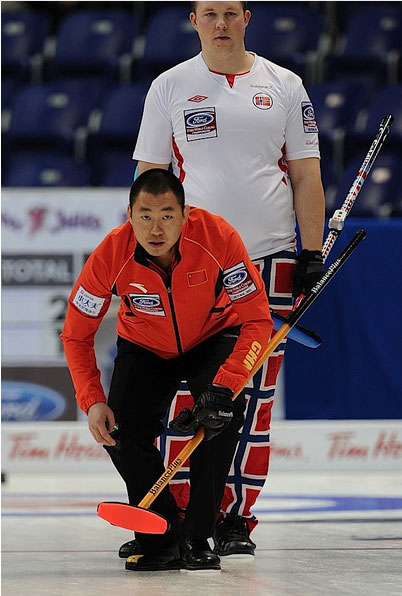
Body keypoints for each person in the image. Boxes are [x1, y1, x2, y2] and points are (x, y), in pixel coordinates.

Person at [126, 1, 326, 558]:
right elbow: (150, 178)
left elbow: (306, 173)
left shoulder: (285, 85)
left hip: (268, 260)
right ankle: (178, 514)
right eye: (209, 13)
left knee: (254, 393)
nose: (220, 23)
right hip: (193, 266)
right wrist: (148, 251)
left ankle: (236, 518)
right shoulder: (169, 86)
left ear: (247, 18)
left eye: (230, 13)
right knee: (182, 394)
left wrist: (310, 252)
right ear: (194, 20)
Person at [61, 168, 273, 571]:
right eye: (144, 216)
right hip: (145, 345)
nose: (155, 228)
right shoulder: (110, 255)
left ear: (185, 212)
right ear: (129, 214)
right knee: (120, 431)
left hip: (213, 335)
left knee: (221, 420)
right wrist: (91, 401)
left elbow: (258, 320)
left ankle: (197, 535)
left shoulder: (219, 237)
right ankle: (161, 535)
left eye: (166, 215)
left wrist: (225, 387)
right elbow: (75, 335)